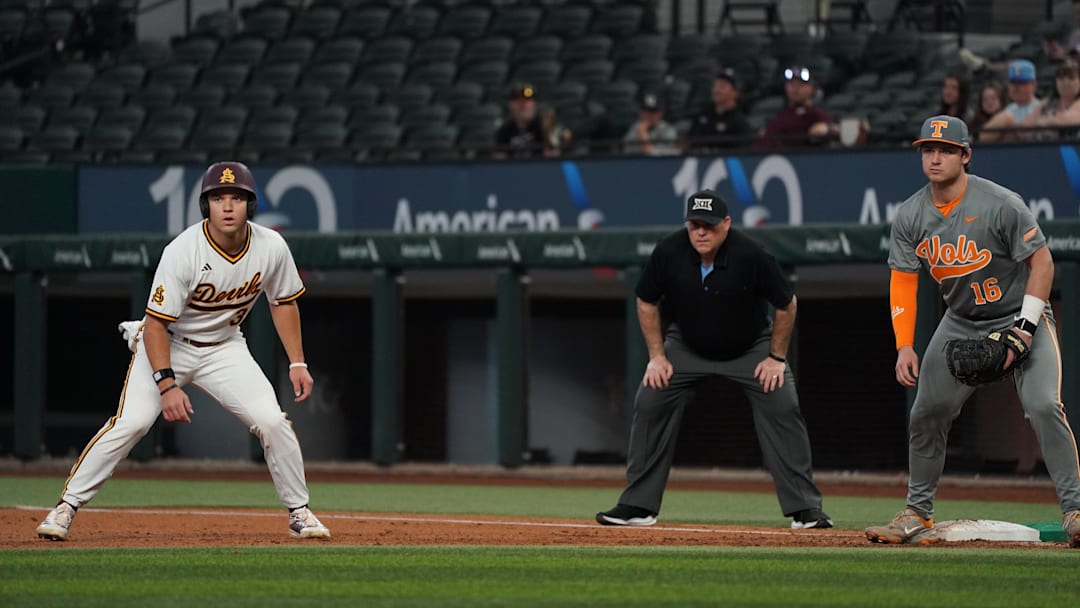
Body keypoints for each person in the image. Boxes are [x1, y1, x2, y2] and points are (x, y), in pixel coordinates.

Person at [35, 162, 331, 542]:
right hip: (167, 343)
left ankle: (299, 512)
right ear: (205, 205)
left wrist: (298, 362)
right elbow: (156, 324)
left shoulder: (271, 246)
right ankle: (66, 507)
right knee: (133, 423)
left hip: (225, 347)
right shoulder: (183, 250)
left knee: (272, 421)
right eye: (218, 198)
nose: (227, 206)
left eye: (237, 198)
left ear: (250, 205)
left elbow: (283, 302)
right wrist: (167, 385)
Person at [865, 116, 1080, 547]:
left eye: (945, 150)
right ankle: (916, 514)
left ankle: (1075, 511)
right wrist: (904, 344)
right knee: (926, 413)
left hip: (1020, 316)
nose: (935, 157)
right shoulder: (910, 214)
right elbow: (904, 279)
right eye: (928, 149)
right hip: (961, 321)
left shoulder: (1000, 203)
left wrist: (1024, 328)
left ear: (966, 155)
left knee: (1042, 406)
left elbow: (1043, 264)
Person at [596, 190, 832, 530]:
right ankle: (637, 505)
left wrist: (776, 357)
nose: (701, 232)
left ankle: (806, 510)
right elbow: (645, 300)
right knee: (650, 399)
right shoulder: (669, 251)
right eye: (694, 225)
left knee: (783, 405)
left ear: (726, 224)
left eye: (708, 225)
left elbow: (787, 304)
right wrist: (657, 356)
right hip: (687, 346)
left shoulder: (751, 255)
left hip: (750, 347)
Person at [757, 65, 836, 149]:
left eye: (800, 85)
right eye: (791, 84)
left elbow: (836, 129)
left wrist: (828, 129)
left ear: (811, 88)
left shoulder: (816, 113)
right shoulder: (780, 114)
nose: (795, 89)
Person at [686, 67, 754, 151]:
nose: (716, 90)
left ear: (735, 92)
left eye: (722, 86)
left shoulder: (740, 122)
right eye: (715, 85)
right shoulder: (703, 116)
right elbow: (690, 143)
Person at [978, 60, 1042, 142]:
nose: (1016, 88)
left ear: (1033, 84)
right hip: (1008, 152)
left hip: (1032, 150)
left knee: (1006, 118)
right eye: (1013, 83)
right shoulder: (1008, 109)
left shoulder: (1040, 107)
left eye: (1021, 83)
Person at [1020, 60, 1080, 140]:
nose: (1065, 82)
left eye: (1071, 78)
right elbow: (1024, 127)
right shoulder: (1047, 102)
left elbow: (1064, 121)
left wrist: (1042, 122)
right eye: (1061, 78)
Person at [494, 83, 547, 159]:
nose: (522, 104)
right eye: (517, 100)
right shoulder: (504, 131)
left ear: (535, 104)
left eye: (527, 100)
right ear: (510, 105)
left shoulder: (544, 127)